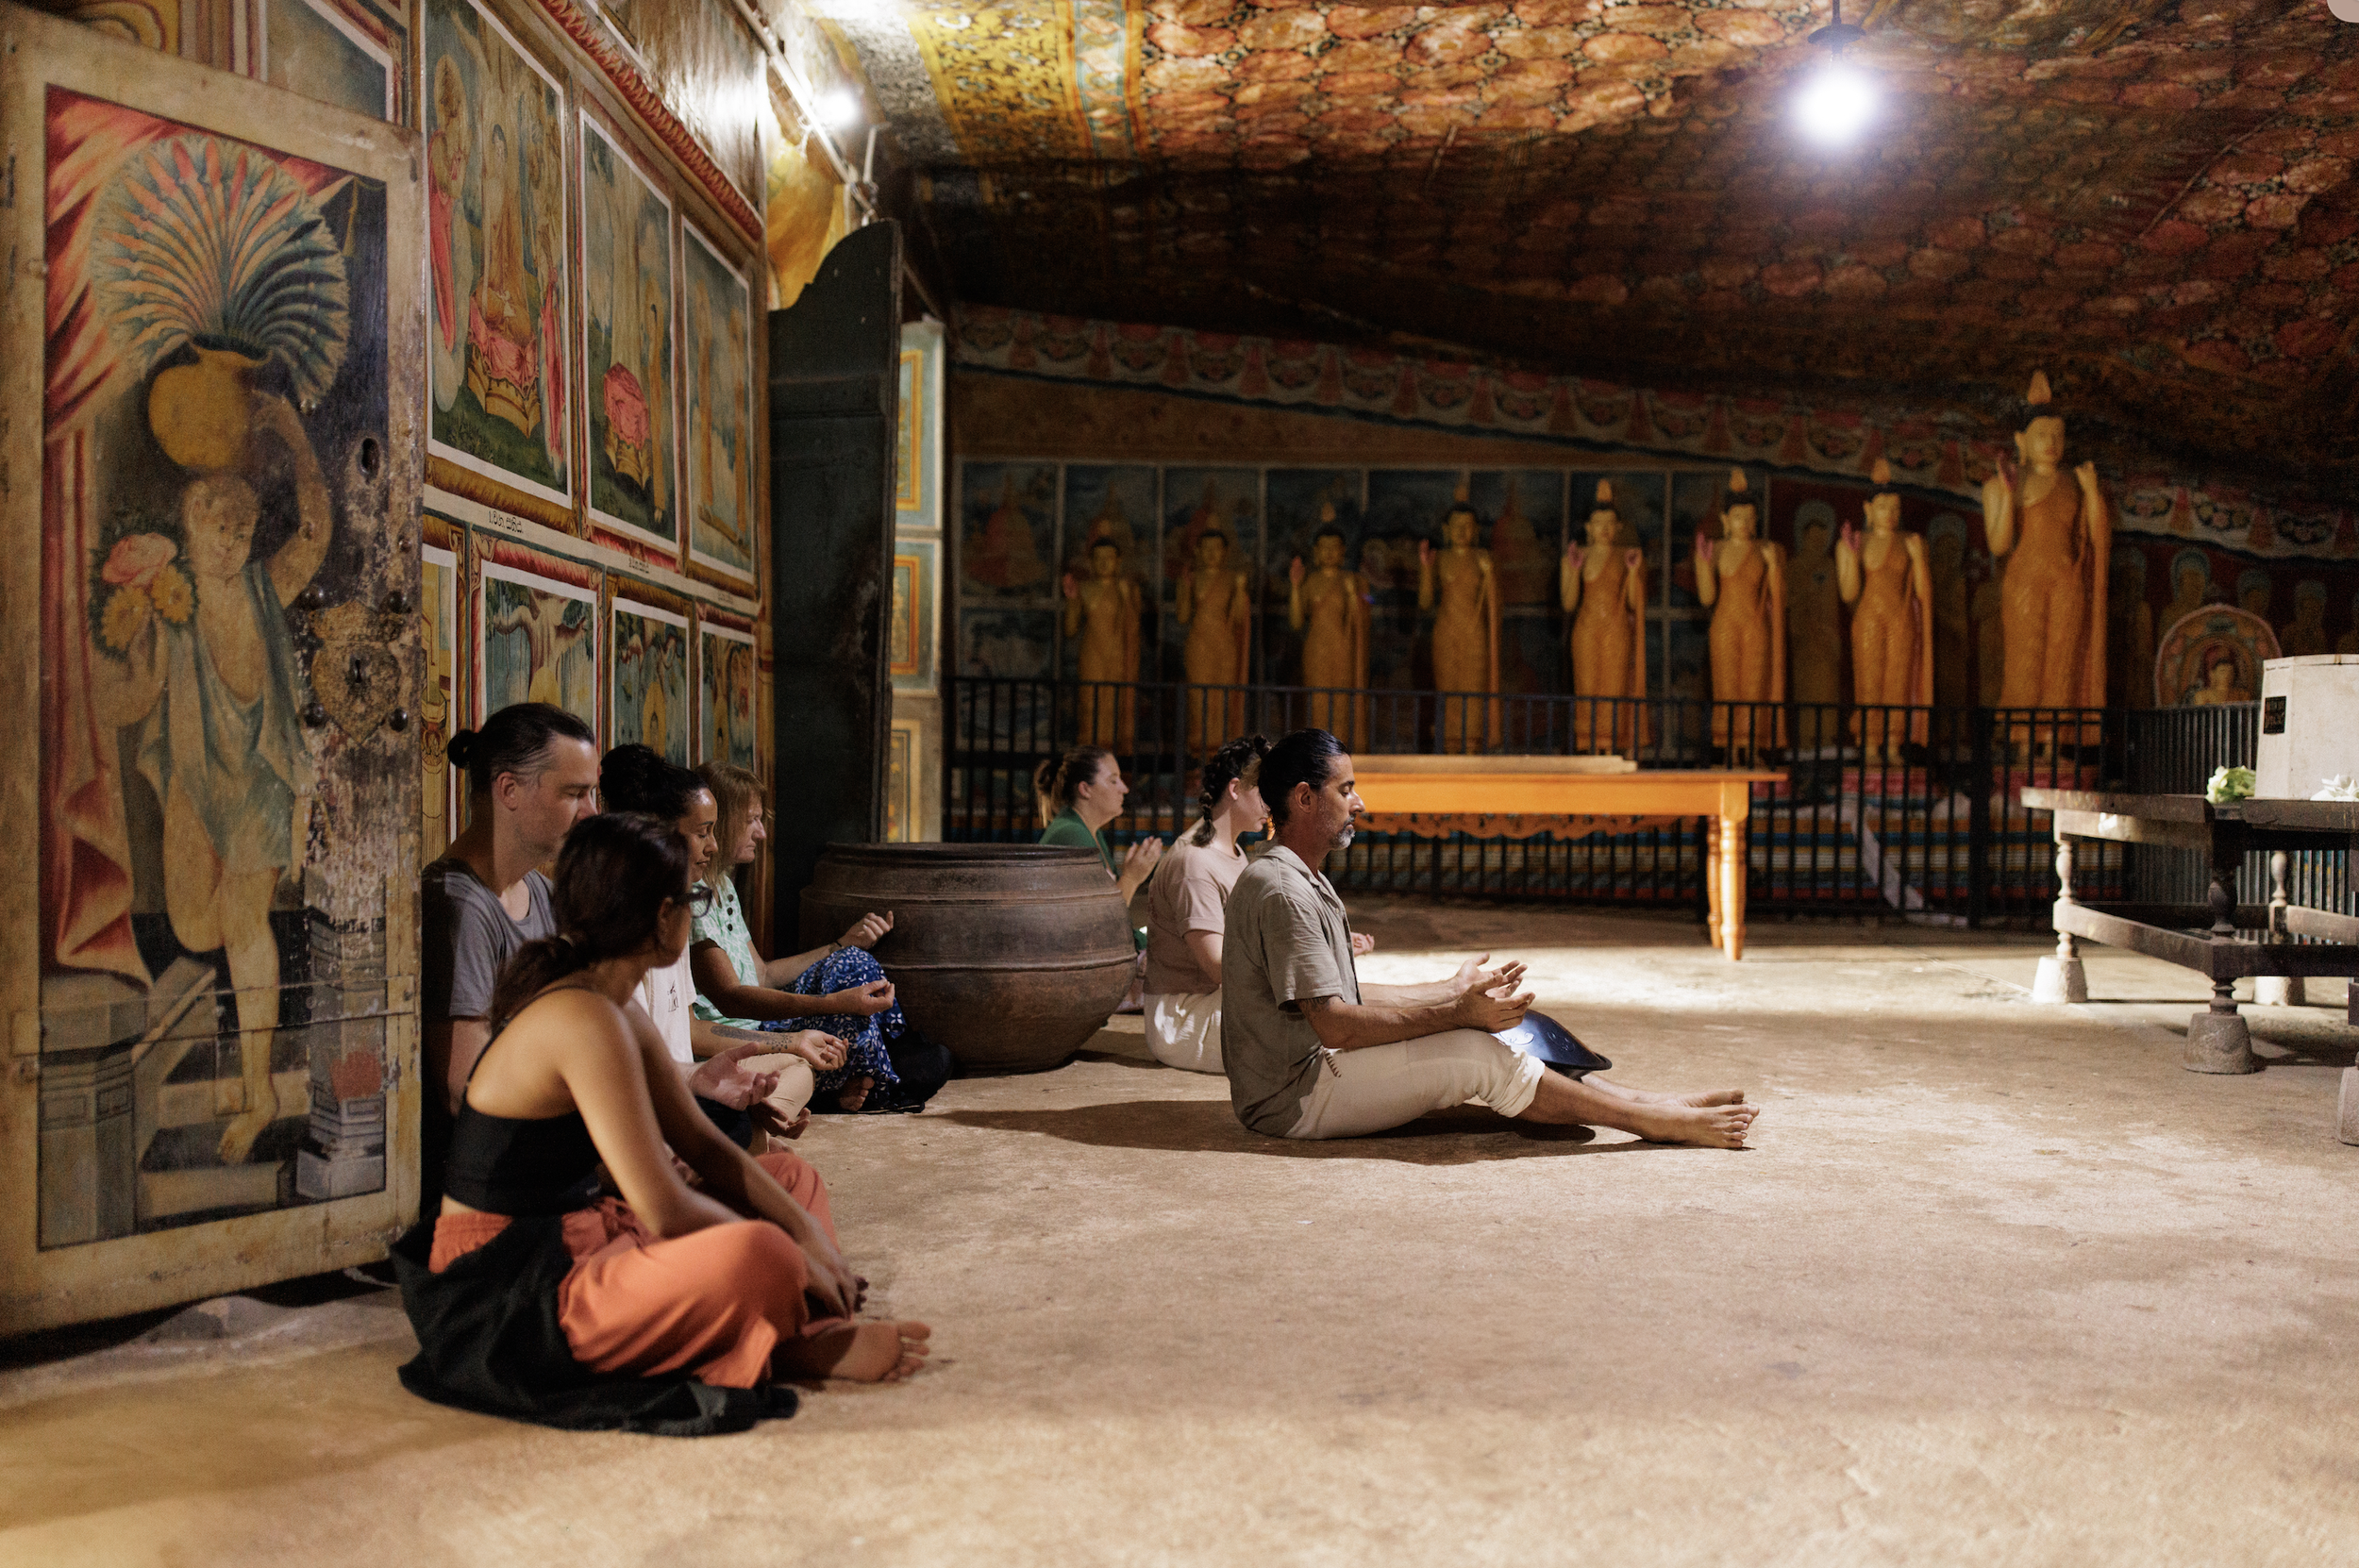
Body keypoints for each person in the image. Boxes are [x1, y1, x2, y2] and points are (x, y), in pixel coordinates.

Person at [396, 813, 929, 1428]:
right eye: (692, 898)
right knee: (764, 1252)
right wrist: (795, 1252)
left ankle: (803, 1332)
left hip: (587, 1235)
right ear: (659, 917)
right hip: (515, 1290)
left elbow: (704, 1146)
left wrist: (803, 1232)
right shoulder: (582, 1017)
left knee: (790, 1183)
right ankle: (791, 1338)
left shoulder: (616, 1005)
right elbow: (665, 1207)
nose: (694, 910)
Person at [1221, 728, 1759, 1145]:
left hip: (1311, 1075)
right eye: (1345, 789)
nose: (1359, 802)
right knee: (1476, 1054)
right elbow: (1336, 1024)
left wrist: (1456, 992)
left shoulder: (1300, 876)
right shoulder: (1283, 890)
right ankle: (1653, 1121)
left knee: (1500, 1038)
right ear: (1304, 798)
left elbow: (1353, 996)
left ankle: (1656, 1103)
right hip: (1293, 1098)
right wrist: (1455, 1015)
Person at [598, 745, 842, 1143]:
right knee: (757, 1136)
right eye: (702, 833)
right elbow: (633, 1075)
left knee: (792, 1073)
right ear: (657, 836)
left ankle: (753, 1136)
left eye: (713, 831)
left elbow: (690, 1029)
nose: (711, 847)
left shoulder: (681, 906)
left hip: (684, 1082)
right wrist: (830, 1008)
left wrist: (792, 1042)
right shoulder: (626, 936)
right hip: (649, 1108)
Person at [692, 762, 952, 1113]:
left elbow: (763, 975)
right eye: (751, 820)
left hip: (763, 1019)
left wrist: (841, 944)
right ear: (722, 822)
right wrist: (835, 1004)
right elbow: (734, 999)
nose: (761, 833)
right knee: (854, 1024)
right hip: (748, 1034)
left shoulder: (721, 884)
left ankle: (892, 1049)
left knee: (855, 961)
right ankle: (883, 1082)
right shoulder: (692, 899)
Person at [422, 704, 601, 1200]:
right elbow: (464, 1092)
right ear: (508, 790)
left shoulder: (540, 893)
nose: (591, 813)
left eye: (592, 792)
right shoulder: (459, 904)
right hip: (498, 1177)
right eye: (574, 794)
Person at [1037, 746, 1165, 1010]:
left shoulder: (1087, 830)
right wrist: (1131, 877)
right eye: (1113, 780)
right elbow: (1101, 920)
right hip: (1080, 966)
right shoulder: (1071, 833)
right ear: (1085, 789)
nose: (1124, 788)